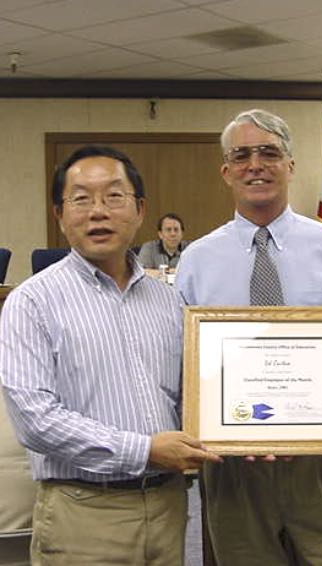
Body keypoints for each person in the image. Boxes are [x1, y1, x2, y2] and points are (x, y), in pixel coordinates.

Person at [175, 108, 322, 566]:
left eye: (269, 153)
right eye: (242, 155)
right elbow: (181, 357)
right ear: (226, 171)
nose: (255, 165)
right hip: (233, 468)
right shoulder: (197, 259)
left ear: (291, 165)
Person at [0, 145, 220, 566]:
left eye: (114, 197)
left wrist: (250, 427)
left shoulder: (169, 302)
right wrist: (143, 450)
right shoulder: (32, 302)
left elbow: (193, 396)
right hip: (82, 512)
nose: (98, 211)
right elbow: (35, 419)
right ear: (59, 215)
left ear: (140, 210)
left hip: (168, 507)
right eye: (81, 199)